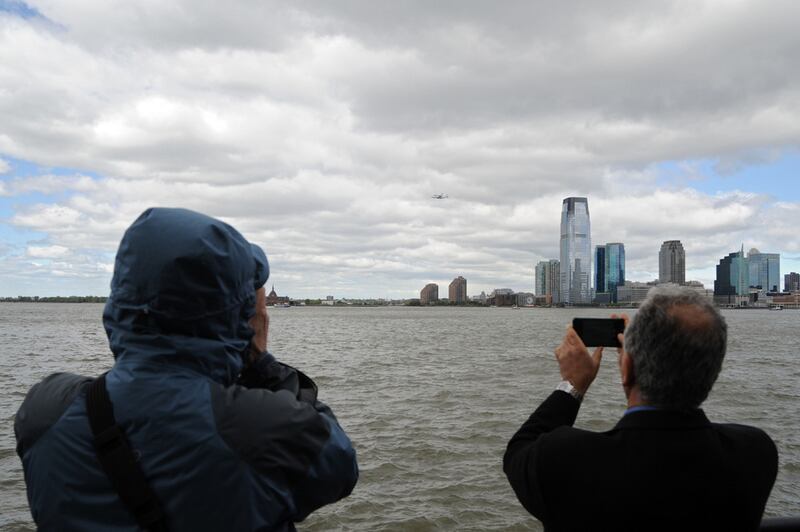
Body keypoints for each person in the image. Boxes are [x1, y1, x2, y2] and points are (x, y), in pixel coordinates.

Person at [15, 208, 358, 531]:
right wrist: (260, 360)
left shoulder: (45, 411)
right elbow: (338, 465)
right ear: (238, 316)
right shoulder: (262, 430)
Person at [503, 285, 778, 531]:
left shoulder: (565, 459)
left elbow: (518, 451)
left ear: (627, 368)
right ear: (714, 369)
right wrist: (635, 371)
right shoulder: (754, 454)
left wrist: (574, 384)